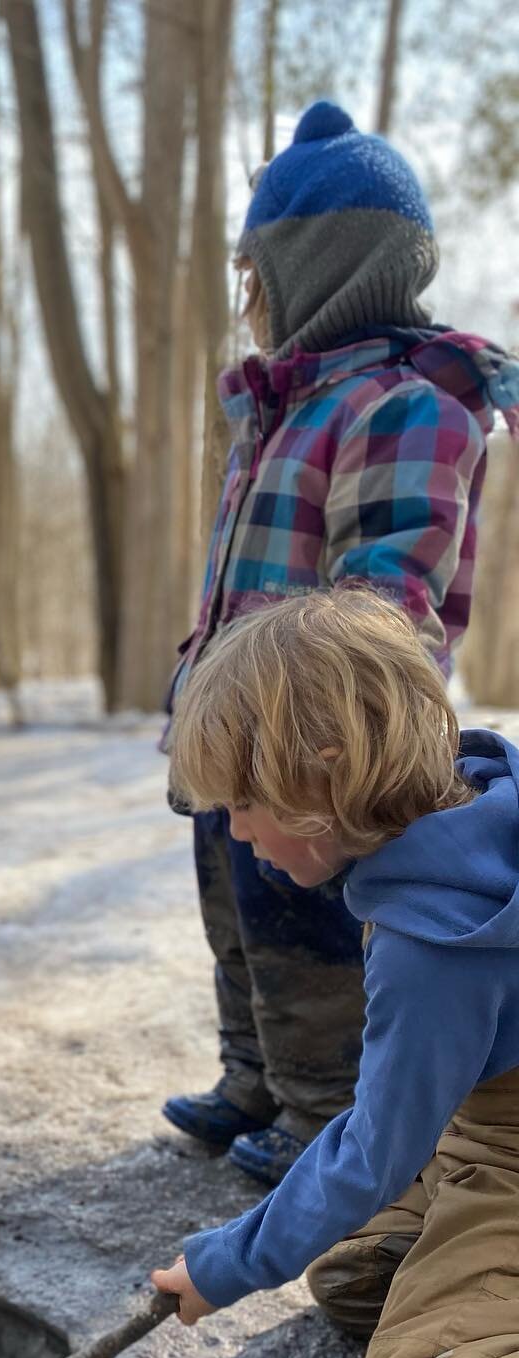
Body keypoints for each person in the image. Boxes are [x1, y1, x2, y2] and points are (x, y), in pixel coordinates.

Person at [160, 100, 519, 1188]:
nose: (248, 299)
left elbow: (383, 607)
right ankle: (254, 1076)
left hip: (314, 748)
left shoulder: (407, 408)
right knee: (231, 904)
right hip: (237, 731)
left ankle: (323, 1110)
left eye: (254, 274)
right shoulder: (276, 408)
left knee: (305, 931)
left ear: (313, 266)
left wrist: (300, 734)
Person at [153, 588, 519, 1358]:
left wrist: (224, 1264)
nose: (235, 832)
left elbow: (376, 1147)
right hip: (481, 1127)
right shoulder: (472, 806)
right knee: (353, 1276)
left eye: (243, 803)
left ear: (326, 771)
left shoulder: (433, 942)